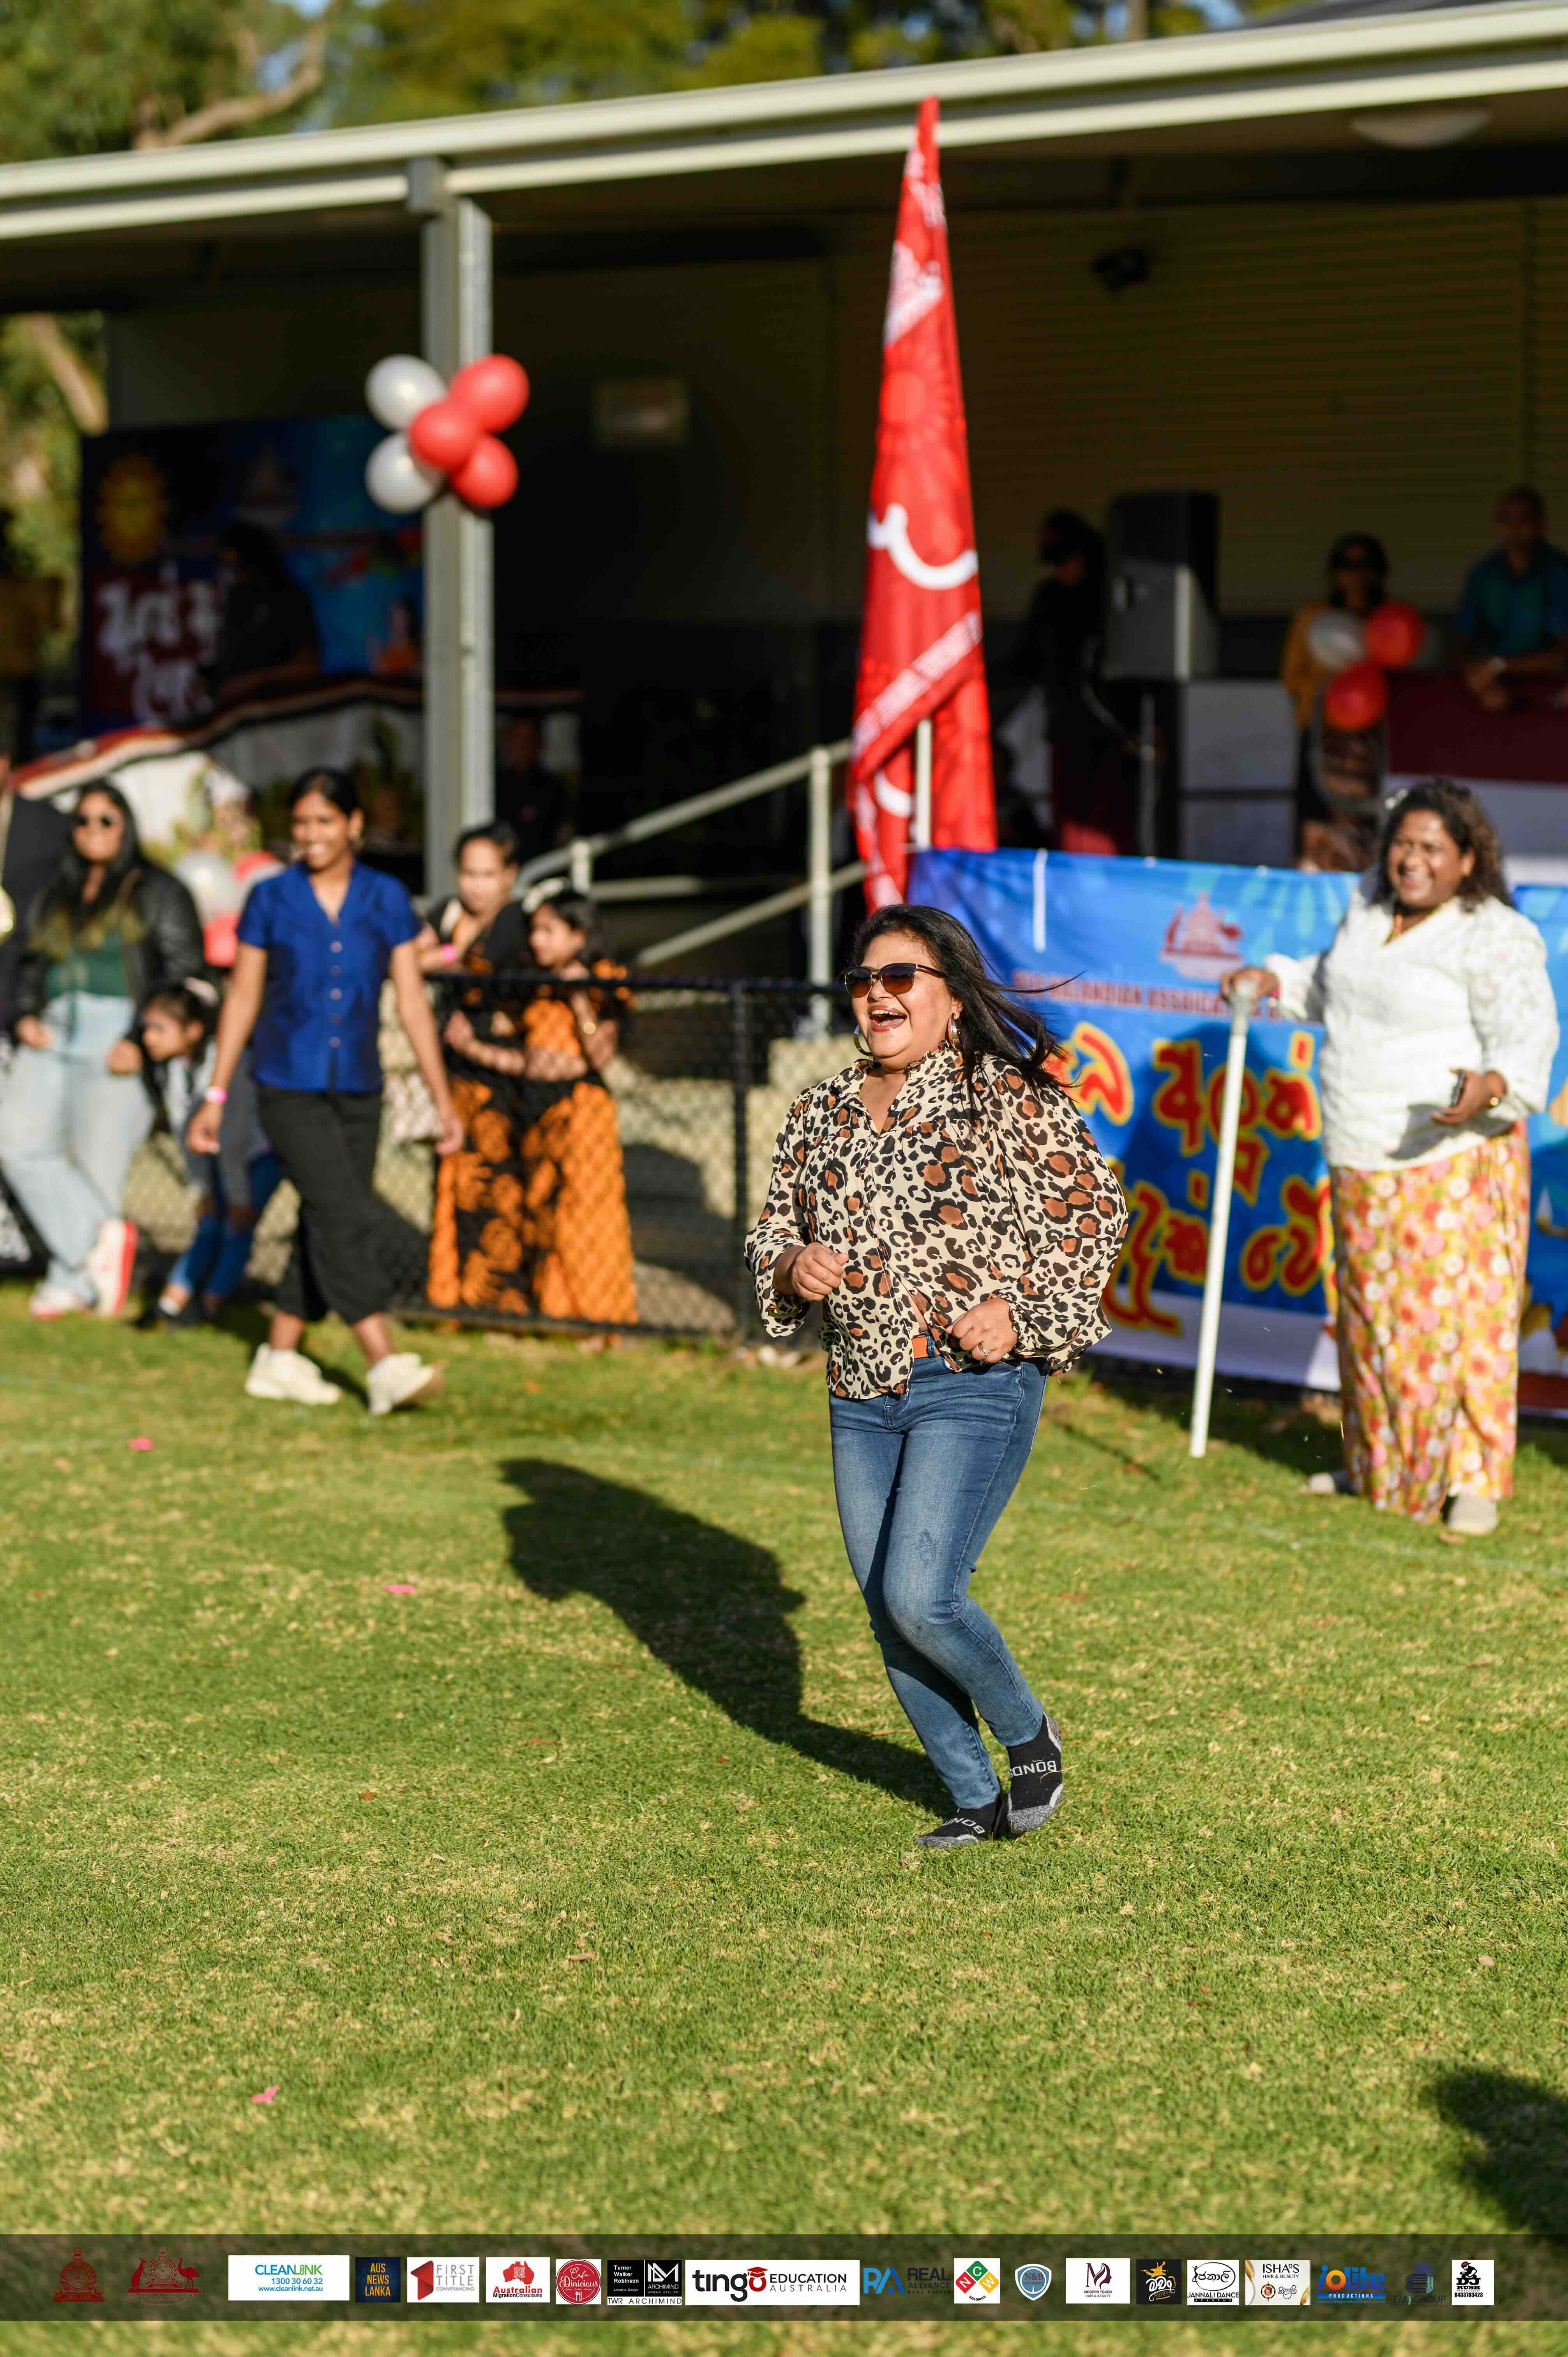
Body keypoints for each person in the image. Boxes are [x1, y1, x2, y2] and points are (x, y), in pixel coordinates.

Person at [744, 905, 1128, 1849]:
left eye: (898, 978)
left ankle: (1026, 1736)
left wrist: (1021, 1313)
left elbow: (1094, 1215)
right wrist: (791, 1267)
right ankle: (969, 1798)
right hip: (858, 1391)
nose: (876, 996)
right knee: (886, 1608)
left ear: (949, 996)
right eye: (862, 981)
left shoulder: (1005, 1095)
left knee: (921, 1594)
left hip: (968, 1383)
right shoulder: (818, 1109)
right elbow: (768, 1231)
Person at [1224, 779, 1558, 1537]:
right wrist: (1273, 979)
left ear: (1467, 859)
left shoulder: (1492, 933)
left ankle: (1470, 1480)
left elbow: (1526, 1035)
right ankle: (1379, 1463)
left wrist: (1491, 1086)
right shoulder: (1368, 912)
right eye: (1402, 844)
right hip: (1359, 1153)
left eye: (1431, 849)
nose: (1411, 861)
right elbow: (1330, 987)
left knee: (1458, 1325)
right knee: (1376, 1326)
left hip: (1453, 1160)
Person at [187, 766, 463, 1413]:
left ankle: (278, 1357)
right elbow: (243, 997)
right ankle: (383, 1359)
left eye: (323, 822)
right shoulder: (270, 897)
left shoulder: (387, 897)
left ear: (354, 825)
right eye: (301, 824)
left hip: (360, 1086)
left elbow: (414, 1005)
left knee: (324, 1218)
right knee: (346, 1215)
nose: (309, 835)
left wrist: (442, 1098)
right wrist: (215, 1093)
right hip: (286, 1084)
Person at [0, 781, 202, 1318]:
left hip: (119, 1028)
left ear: (126, 825)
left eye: (106, 820)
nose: (94, 830)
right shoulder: (55, 890)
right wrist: (22, 1014)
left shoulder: (158, 889)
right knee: (15, 1140)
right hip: (53, 1026)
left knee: (98, 1164)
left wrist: (142, 1039)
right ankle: (96, 1251)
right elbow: (29, 962)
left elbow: (185, 973)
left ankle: (73, 1280)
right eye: (84, 820)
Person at [429, 887, 636, 1323]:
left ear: (578, 936)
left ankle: (598, 1318)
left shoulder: (602, 978)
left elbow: (598, 1056)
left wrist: (578, 996)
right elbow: (529, 1060)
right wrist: (473, 1048)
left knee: (585, 1219)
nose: (537, 941)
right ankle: (555, 1312)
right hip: (537, 1112)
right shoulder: (531, 981)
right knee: (545, 1220)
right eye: (535, 931)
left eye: (549, 931)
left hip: (581, 1111)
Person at [134, 979, 279, 1330]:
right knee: (211, 1225)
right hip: (221, 1157)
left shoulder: (228, 1064)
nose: (149, 1038)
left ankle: (210, 1304)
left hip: (257, 1154)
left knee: (237, 1227)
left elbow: (233, 1136)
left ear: (194, 1031)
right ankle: (172, 1303)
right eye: (146, 1028)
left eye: (159, 1029)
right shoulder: (174, 1070)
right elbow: (189, 1136)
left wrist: (239, 1195)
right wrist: (201, 1189)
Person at [1009, 508, 1133, 855]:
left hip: (1113, 738)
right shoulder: (1048, 599)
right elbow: (1025, 659)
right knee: (1070, 831)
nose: (1058, 570)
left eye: (1065, 559)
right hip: (1067, 732)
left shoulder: (1111, 600)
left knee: (1106, 833)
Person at [1278, 530, 1390, 869]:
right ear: (1334, 573)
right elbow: (1292, 678)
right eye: (1347, 566)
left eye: (1365, 565)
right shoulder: (1312, 617)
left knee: (1370, 832)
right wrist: (1335, 689)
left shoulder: (1388, 621)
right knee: (1318, 830)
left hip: (1373, 745)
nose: (1356, 574)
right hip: (1323, 738)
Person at [1453, 486, 1568, 710]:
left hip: (1551, 687)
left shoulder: (1560, 573)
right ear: (1498, 525)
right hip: (1496, 687)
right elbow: (1461, 642)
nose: (1515, 529)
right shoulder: (1483, 574)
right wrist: (1475, 673)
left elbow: (1562, 656)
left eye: (1524, 519)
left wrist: (1498, 665)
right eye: (1507, 520)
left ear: (1542, 524)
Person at [203, 521, 321, 706]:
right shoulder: (236, 600)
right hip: (239, 720)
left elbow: (308, 667)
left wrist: (252, 682)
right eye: (229, 568)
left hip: (278, 716)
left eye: (239, 566)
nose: (235, 575)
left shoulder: (287, 597)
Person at [494, 715, 567, 866]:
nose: (522, 746)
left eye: (528, 740)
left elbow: (562, 835)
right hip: (503, 867)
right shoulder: (494, 785)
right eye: (517, 739)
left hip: (543, 868)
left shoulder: (553, 787)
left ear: (539, 745)